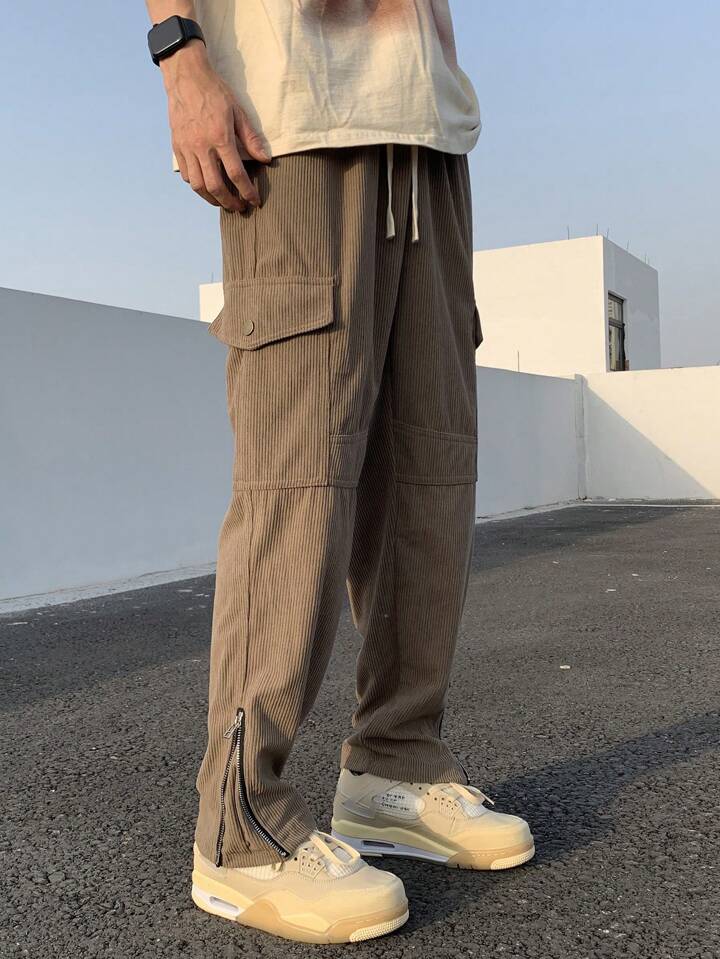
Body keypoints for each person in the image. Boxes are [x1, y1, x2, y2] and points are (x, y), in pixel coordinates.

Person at [146, 0, 533, 945]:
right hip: (292, 112)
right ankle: (238, 827)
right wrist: (181, 58)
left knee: (430, 470)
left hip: (428, 129)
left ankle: (395, 765)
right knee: (299, 474)